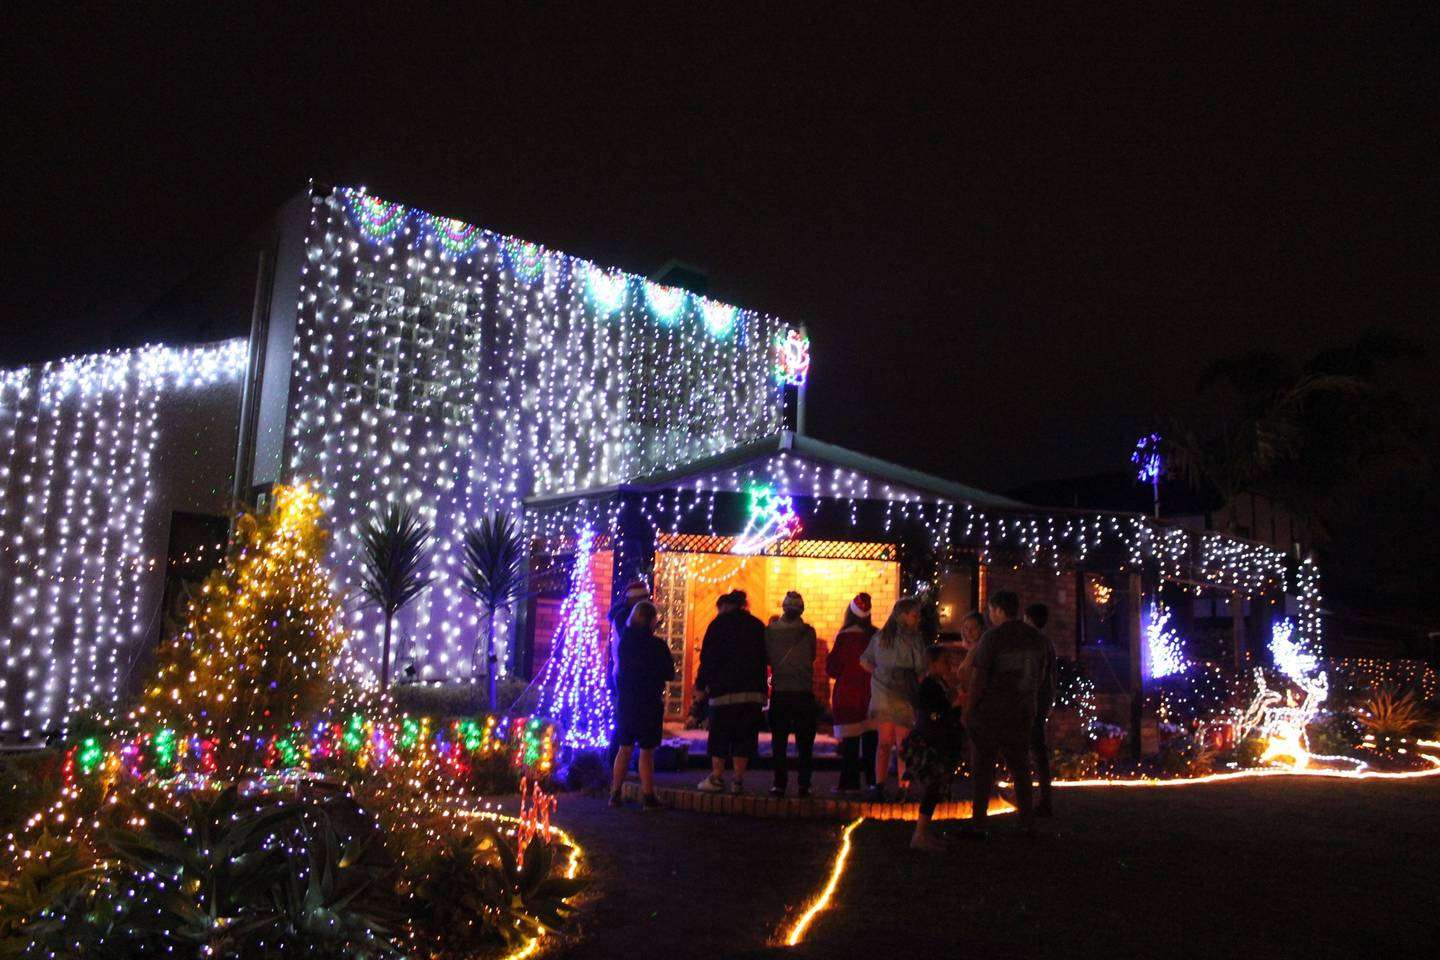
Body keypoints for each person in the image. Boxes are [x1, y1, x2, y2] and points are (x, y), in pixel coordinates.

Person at [962, 590, 1054, 836]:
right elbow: (1041, 675)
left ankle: (979, 824)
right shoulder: (1036, 639)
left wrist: (969, 709)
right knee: (1020, 767)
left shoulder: (993, 638)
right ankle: (1026, 822)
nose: (990, 616)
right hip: (1023, 711)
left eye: (991, 611)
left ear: (1000, 610)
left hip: (992, 712)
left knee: (983, 768)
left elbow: (979, 677)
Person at [694, 590, 767, 794]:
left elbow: (707, 659)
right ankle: (738, 780)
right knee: (745, 737)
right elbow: (765, 657)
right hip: (752, 692)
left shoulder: (718, 625)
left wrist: (701, 686)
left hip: (723, 692)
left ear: (724, 606)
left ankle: (717, 778)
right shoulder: (757, 626)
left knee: (719, 736)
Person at [609, 601, 674, 810]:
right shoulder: (657, 646)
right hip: (649, 703)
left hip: (627, 702)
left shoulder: (625, 644)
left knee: (624, 748)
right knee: (646, 751)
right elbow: (669, 673)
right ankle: (648, 796)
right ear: (652, 621)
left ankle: (615, 793)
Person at [859, 596, 925, 801]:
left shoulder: (880, 637)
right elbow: (921, 668)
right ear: (903, 616)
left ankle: (879, 785)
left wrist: (879, 674)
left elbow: (864, 661)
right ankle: (902, 786)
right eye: (915, 615)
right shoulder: (913, 640)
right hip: (903, 693)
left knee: (884, 742)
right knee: (902, 742)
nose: (918, 619)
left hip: (882, 694)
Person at [903, 643, 966, 850]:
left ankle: (924, 832)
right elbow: (932, 714)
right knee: (933, 786)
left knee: (936, 788)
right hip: (930, 742)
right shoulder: (929, 686)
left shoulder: (940, 684)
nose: (949, 665)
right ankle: (919, 835)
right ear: (932, 664)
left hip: (940, 739)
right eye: (944, 661)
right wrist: (954, 705)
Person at [765, 591, 818, 798]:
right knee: (805, 743)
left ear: (784, 609)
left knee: (779, 741)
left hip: (780, 692)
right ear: (801, 610)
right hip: (803, 692)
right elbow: (812, 656)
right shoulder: (809, 632)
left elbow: (768, 658)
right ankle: (804, 784)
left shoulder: (770, 632)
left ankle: (779, 784)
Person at [826, 594, 879, 794]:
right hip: (873, 695)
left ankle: (849, 783)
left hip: (848, 695)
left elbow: (832, 668)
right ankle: (875, 782)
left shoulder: (845, 637)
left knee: (850, 744)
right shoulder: (876, 636)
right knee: (871, 742)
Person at [1024, 602, 1057, 817]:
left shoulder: (1036, 643)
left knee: (1034, 747)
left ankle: (1041, 799)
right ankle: (1042, 797)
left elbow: (1038, 674)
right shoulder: (1047, 643)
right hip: (1042, 701)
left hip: (1034, 701)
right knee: (1037, 748)